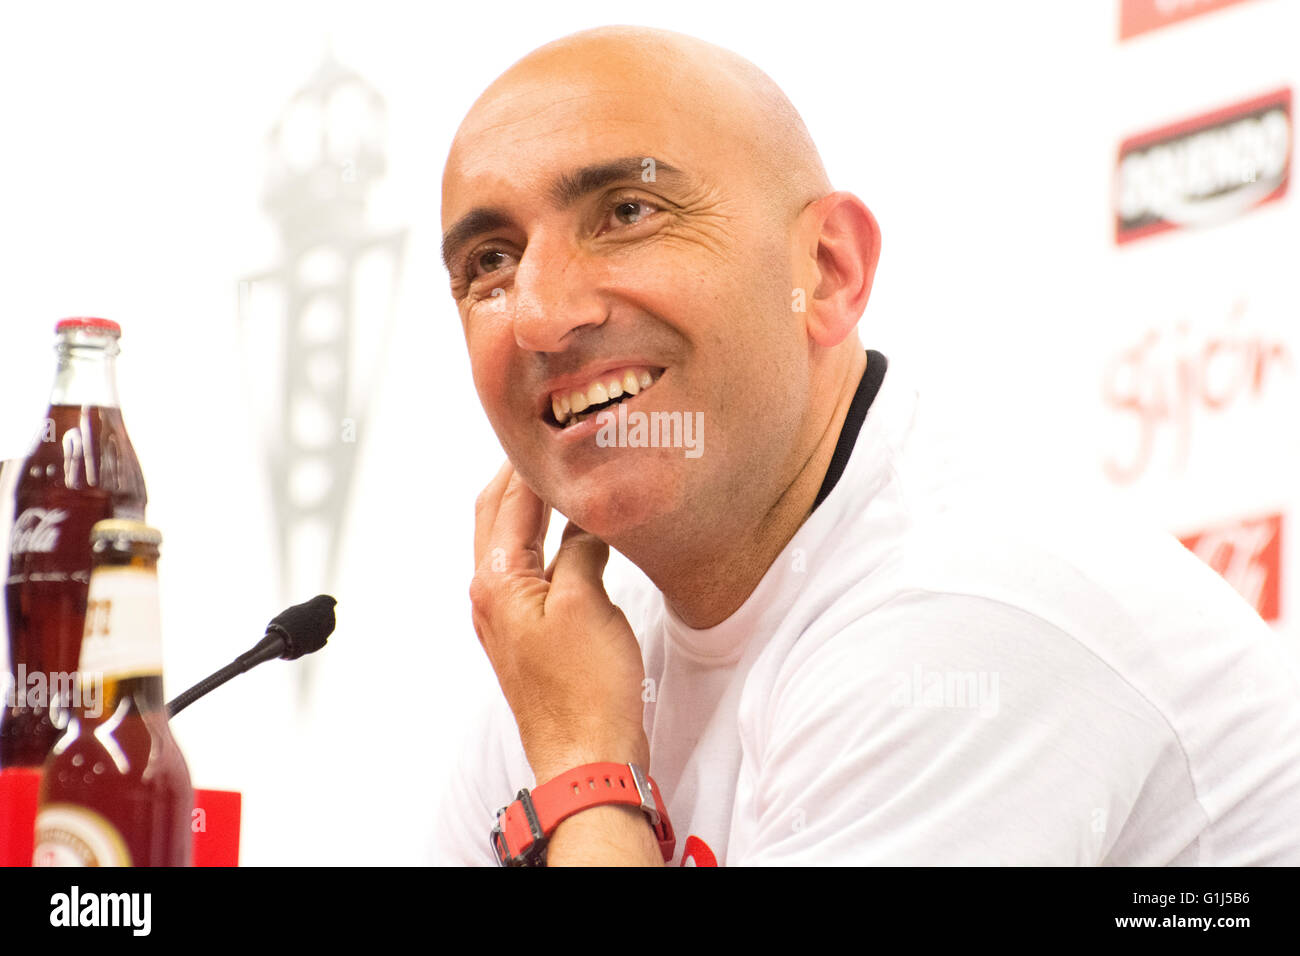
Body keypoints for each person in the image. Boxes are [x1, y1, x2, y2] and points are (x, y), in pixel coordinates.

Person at [433, 25, 1300, 865]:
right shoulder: (566, 663)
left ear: (829, 269)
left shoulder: (969, 606)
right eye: (490, 263)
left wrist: (587, 777)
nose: (544, 315)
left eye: (627, 211)